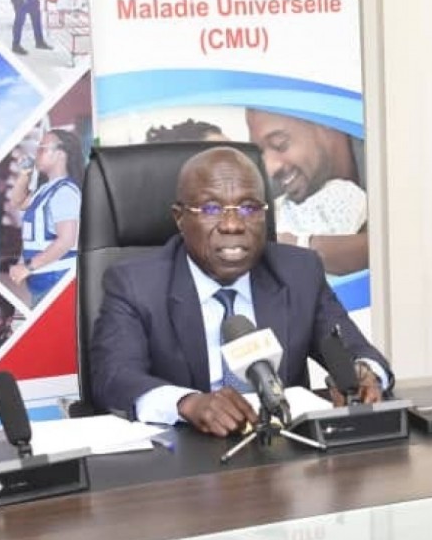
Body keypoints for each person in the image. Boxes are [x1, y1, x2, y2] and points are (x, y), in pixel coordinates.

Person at [89, 146, 392, 435]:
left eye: (248, 208)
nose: (232, 225)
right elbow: (114, 377)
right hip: (186, 455)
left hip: (284, 449)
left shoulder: (299, 272)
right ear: (180, 218)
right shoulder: (136, 284)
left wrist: (364, 374)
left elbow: (355, 350)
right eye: (211, 208)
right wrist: (187, 403)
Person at [244, 108, 368, 275]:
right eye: (261, 153)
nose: (270, 168)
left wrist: (299, 247)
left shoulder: (387, 152)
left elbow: (396, 243)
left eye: (280, 144)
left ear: (327, 122)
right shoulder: (275, 191)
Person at [8, 128, 83, 304]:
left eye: (42, 148)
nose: (37, 153)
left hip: (57, 281)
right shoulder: (45, 189)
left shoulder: (64, 192)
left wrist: (27, 267)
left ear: (61, 154)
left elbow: (66, 241)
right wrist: (25, 174)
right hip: (44, 281)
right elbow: (18, 202)